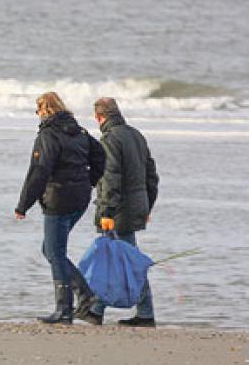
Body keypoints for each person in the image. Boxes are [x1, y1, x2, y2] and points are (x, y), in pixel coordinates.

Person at [15, 92, 105, 324]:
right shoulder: (79, 132)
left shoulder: (48, 134)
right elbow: (100, 157)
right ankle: (84, 295)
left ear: (45, 110)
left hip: (58, 199)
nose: (37, 115)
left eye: (38, 110)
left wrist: (23, 205)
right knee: (51, 250)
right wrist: (88, 181)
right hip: (79, 198)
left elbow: (39, 171)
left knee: (54, 252)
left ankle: (65, 308)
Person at [78, 97, 160, 327]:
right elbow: (152, 176)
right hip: (136, 205)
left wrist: (106, 211)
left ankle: (141, 313)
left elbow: (110, 178)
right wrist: (147, 206)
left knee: (124, 262)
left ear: (99, 117)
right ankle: (98, 309)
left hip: (119, 210)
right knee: (120, 260)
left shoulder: (110, 139)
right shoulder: (136, 135)